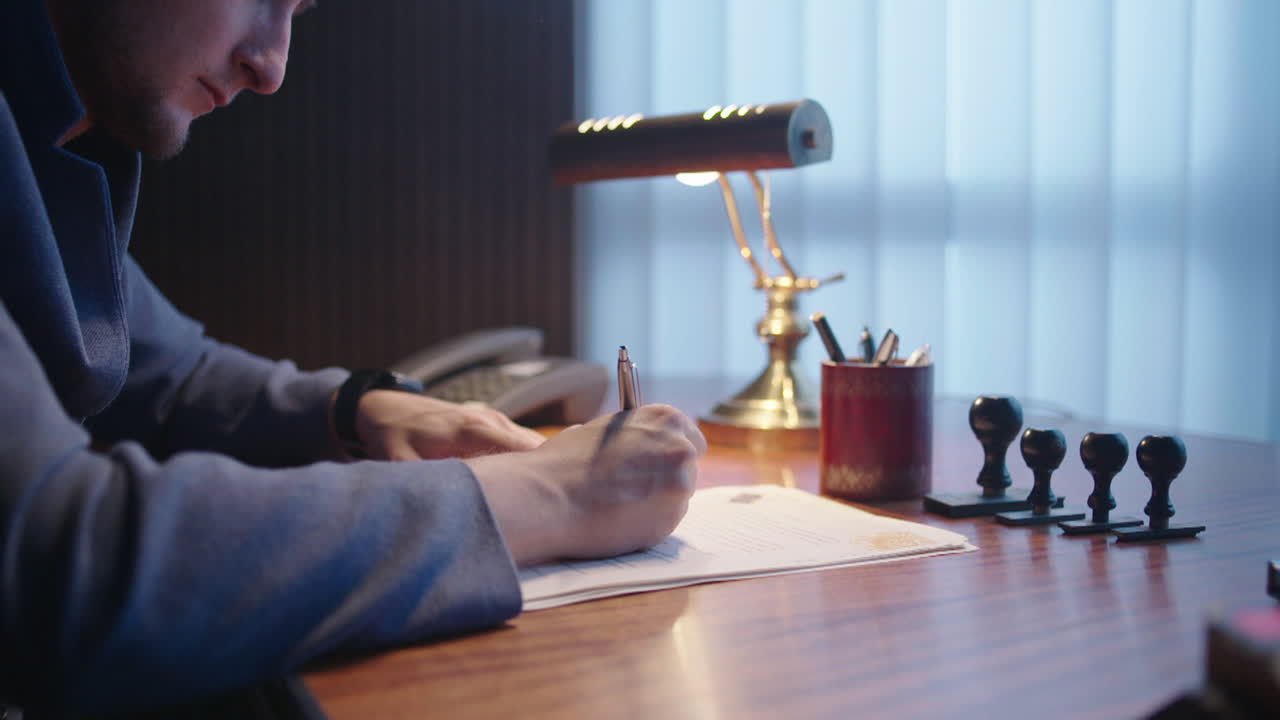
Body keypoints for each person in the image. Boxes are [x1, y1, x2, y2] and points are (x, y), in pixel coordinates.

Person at [0, 0, 706, 716]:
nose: (271, 66)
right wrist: (549, 495)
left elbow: (169, 379)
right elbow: (58, 564)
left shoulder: (53, 140)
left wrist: (359, 409)